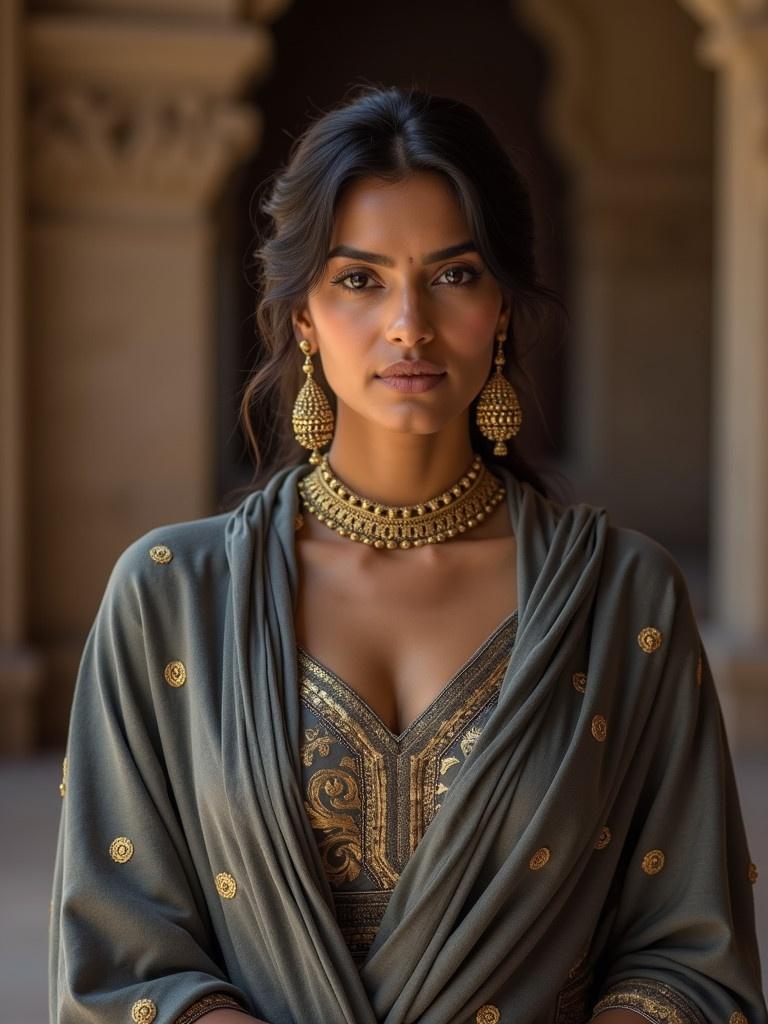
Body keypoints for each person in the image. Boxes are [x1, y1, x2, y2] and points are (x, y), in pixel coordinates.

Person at [48, 85, 766, 1024]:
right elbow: (118, 958)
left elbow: (690, 954)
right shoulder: (172, 599)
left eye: (455, 275)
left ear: (503, 304)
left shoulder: (624, 601)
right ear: (302, 313)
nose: (409, 326)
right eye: (360, 279)